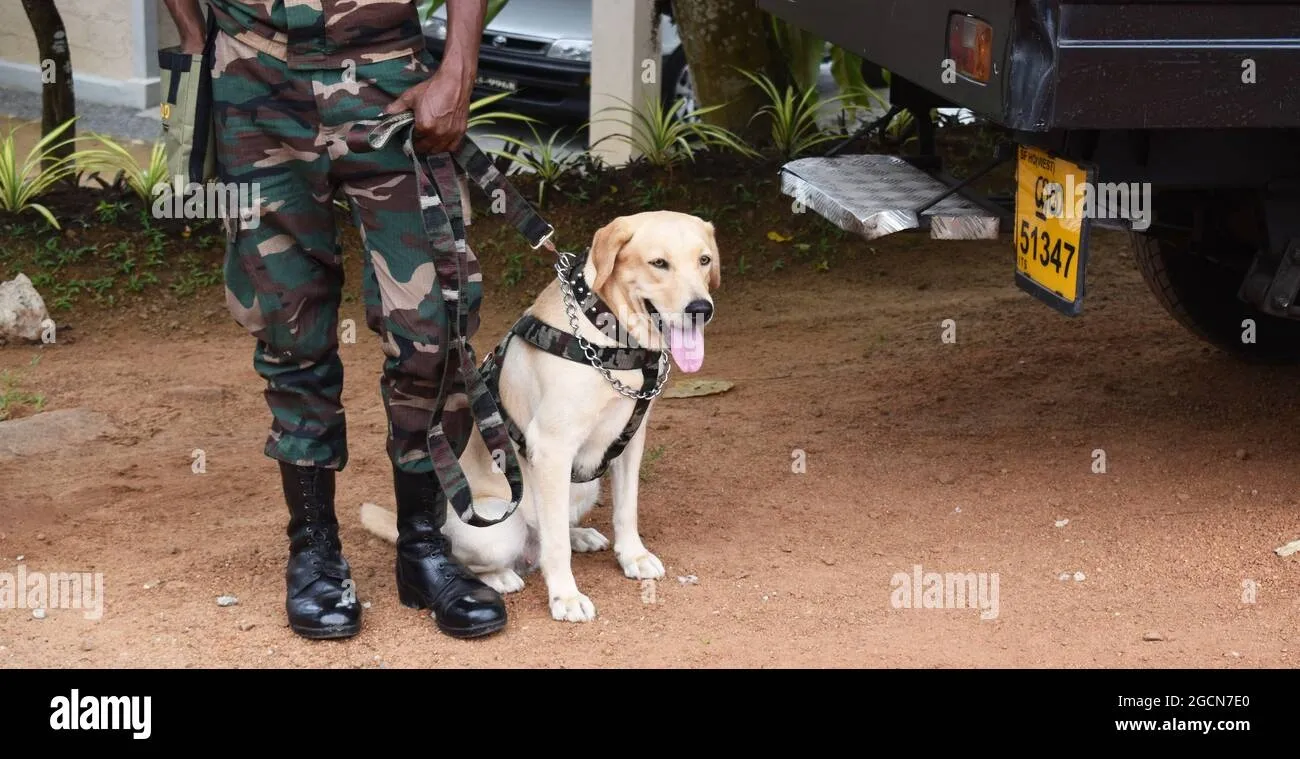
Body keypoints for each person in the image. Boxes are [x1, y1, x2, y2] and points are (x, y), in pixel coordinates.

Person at [161, 0, 508, 641]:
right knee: (288, 324)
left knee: (432, 324)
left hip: (391, 80)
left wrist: (457, 68)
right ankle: (315, 552)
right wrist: (193, 36)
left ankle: (423, 548)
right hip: (252, 80)